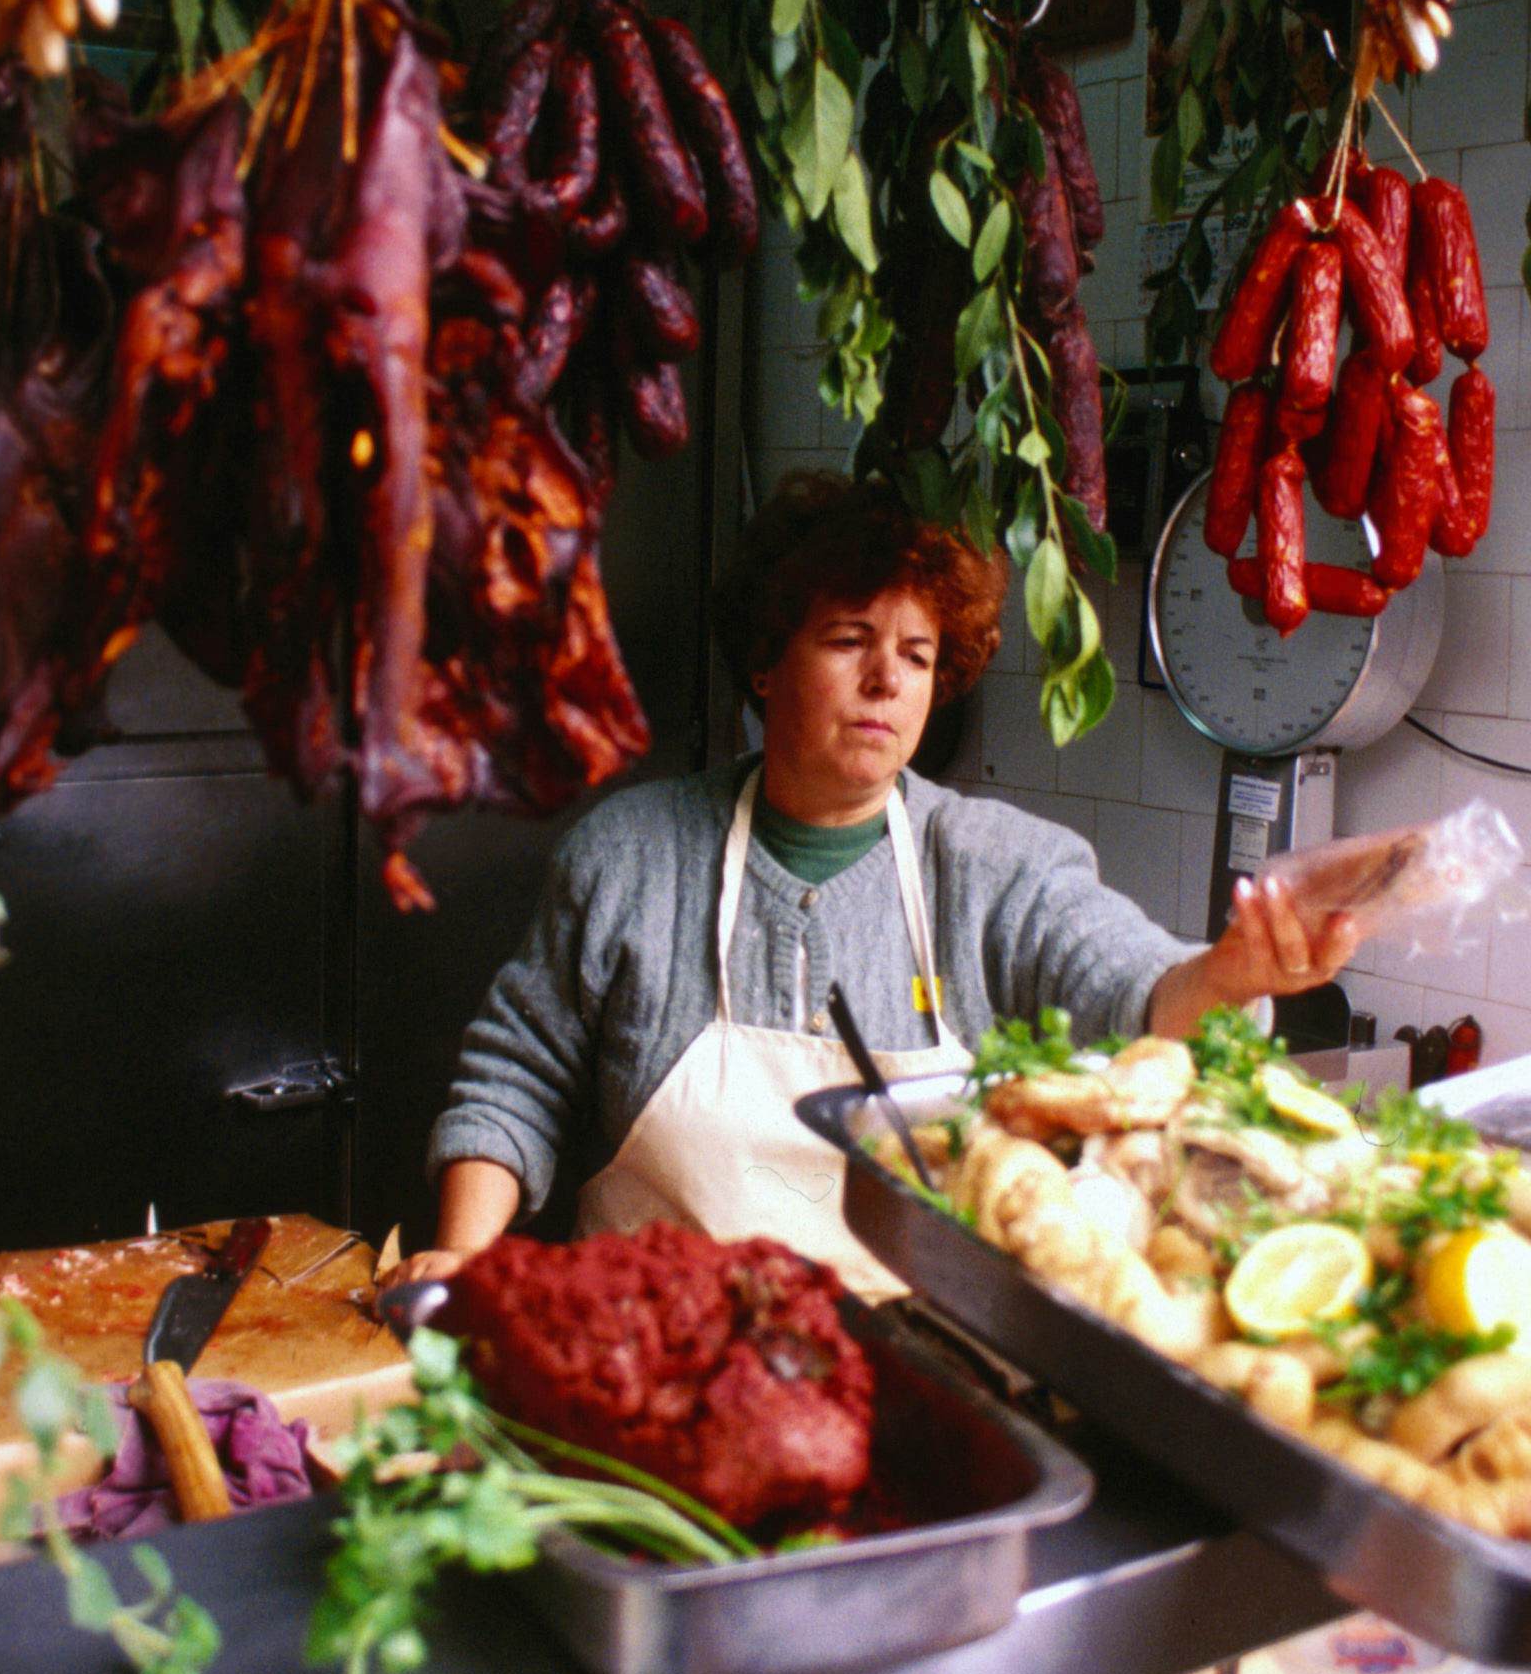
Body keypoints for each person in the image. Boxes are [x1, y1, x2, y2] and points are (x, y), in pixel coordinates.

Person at [398, 472, 1360, 1295]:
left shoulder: (996, 866)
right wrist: (458, 1257)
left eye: (916, 655)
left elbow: (1135, 993)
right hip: (654, 1338)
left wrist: (1231, 976)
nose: (886, 682)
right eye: (849, 639)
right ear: (768, 664)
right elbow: (515, 1074)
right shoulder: (632, 856)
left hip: (919, 1360)